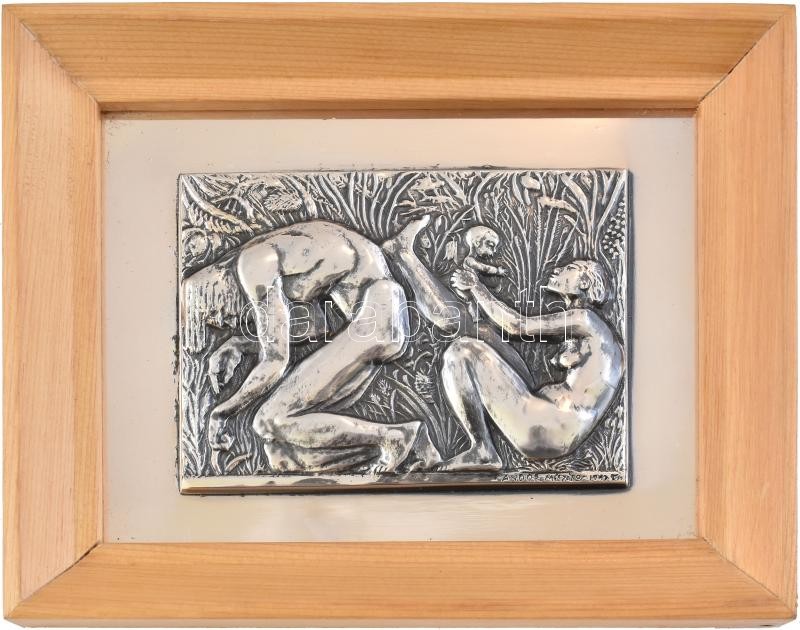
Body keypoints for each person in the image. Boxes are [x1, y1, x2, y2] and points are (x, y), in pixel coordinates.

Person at [183, 220, 441, 474]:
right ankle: (399, 451)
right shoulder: (285, 251)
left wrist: (222, 412)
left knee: (271, 420)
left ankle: (399, 437)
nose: (225, 321)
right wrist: (240, 343)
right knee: (281, 453)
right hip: (379, 320)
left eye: (214, 312)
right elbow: (315, 326)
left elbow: (275, 360)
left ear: (213, 289)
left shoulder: (253, 262)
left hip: (374, 320)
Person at [441, 261, 624, 470]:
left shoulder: (585, 318)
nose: (558, 269)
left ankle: (482, 449)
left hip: (547, 426)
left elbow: (517, 325)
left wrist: (476, 287)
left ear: (584, 282)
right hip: (554, 429)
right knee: (485, 341)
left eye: (569, 268)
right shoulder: (603, 338)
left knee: (461, 351)